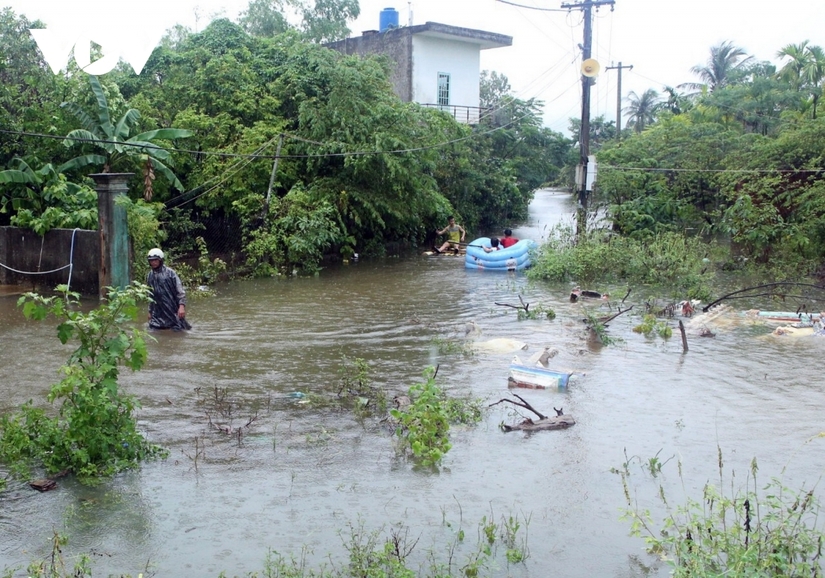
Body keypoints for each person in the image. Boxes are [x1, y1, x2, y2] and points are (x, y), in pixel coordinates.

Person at [146, 248, 191, 331]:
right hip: (157, 311)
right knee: (154, 331)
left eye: (156, 260)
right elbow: (150, 295)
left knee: (178, 331)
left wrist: (181, 307)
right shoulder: (150, 276)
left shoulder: (170, 273)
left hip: (172, 308)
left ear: (161, 260)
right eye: (151, 261)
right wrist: (150, 311)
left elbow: (180, 291)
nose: (153, 263)